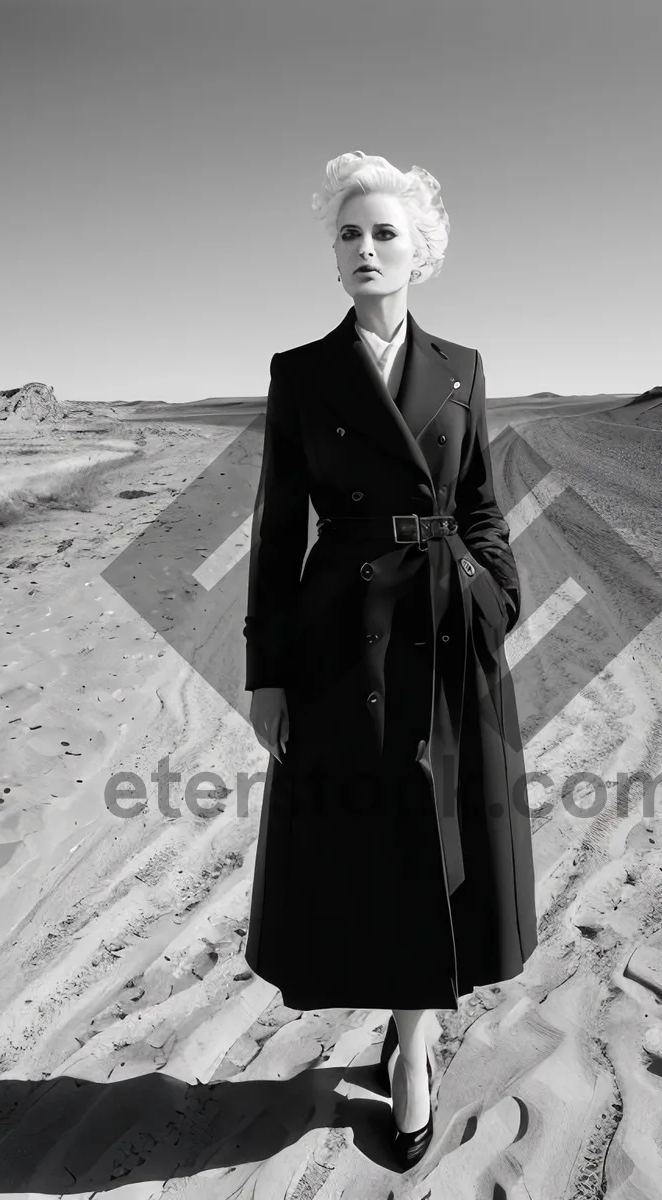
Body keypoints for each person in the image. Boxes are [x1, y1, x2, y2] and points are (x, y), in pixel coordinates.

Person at [242, 150, 537, 1169]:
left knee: (442, 832)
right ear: (333, 252)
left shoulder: (462, 367)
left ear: (421, 253)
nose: (365, 248)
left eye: (384, 233)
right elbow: (278, 533)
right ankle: (409, 1024)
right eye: (349, 233)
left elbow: (484, 504)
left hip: (451, 631)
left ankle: (413, 1050)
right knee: (372, 845)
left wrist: (497, 594)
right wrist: (266, 672)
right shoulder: (299, 373)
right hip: (340, 641)